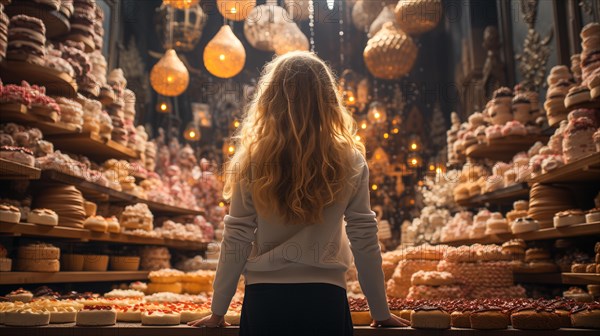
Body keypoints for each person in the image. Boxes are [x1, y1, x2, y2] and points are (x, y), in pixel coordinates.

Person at [188, 51, 409, 335]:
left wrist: (218, 311)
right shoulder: (351, 160)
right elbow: (364, 238)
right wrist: (380, 310)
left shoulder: (252, 160)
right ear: (328, 100)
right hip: (325, 301)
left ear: (270, 100)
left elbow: (237, 237)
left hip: (265, 303)